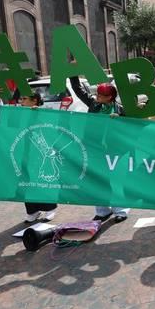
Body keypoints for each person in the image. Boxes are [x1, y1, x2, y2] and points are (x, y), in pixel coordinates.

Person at [69, 75, 130, 223]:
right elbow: (78, 90)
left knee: (114, 179)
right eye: (96, 94)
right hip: (93, 148)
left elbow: (131, 124)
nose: (96, 97)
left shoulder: (120, 109)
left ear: (110, 97)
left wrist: (120, 117)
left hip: (114, 150)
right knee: (96, 178)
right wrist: (73, 73)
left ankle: (120, 210)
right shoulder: (93, 104)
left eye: (101, 95)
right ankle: (102, 211)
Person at [17, 92, 57, 223]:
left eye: (24, 98)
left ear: (34, 101)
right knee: (26, 182)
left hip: (40, 153)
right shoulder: (20, 113)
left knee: (43, 180)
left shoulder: (44, 112)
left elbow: (50, 128)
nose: (21, 102)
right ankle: (32, 210)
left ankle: (50, 208)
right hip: (24, 153)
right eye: (20, 99)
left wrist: (38, 113)